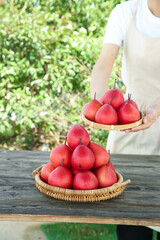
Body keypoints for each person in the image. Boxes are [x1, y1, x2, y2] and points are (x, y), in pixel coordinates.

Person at [89, 0, 160, 239]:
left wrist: (157, 108)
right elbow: (103, 66)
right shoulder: (125, 12)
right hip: (131, 131)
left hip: (151, 114)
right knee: (131, 227)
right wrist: (98, 106)